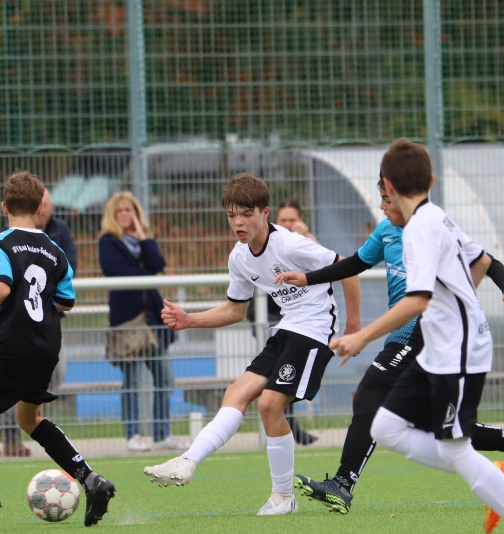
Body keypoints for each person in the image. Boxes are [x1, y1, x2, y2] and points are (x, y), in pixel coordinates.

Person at [333, 139, 504, 534]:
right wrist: (459, 300)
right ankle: (492, 477)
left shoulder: (420, 229)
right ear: (431, 180)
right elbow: (481, 261)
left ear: (387, 185)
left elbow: (417, 300)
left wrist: (361, 336)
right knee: (385, 427)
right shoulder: (438, 217)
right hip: (438, 347)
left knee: (453, 448)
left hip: (459, 351)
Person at [277, 179, 504, 517]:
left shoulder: (429, 227)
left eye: (386, 199)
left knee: (371, 393)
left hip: (422, 332)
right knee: (425, 421)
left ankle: (343, 484)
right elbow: (355, 263)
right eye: (381, 199)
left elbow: (485, 262)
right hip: (407, 334)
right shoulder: (388, 230)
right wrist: (308, 277)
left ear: (402, 195)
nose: (382, 207)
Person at [144, 172, 361, 515]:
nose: (238, 222)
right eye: (231, 215)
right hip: (287, 328)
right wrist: (189, 319)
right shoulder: (239, 257)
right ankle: (188, 461)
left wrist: (354, 327)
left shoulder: (289, 244)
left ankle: (283, 498)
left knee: (269, 404)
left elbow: (347, 267)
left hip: (314, 329)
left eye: (246, 214)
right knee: (236, 393)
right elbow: (234, 310)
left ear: (265, 212)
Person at [0, 170, 115, 531]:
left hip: (12, 344)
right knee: (29, 419)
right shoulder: (56, 251)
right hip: (46, 347)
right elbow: (66, 302)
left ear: (4, 206)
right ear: (40, 208)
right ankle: (91, 479)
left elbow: (1, 287)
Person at [0, 188, 78, 457]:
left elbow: (69, 270)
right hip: (17, 324)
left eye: (45, 203)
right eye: (39, 202)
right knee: (15, 379)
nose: (42, 207)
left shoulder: (59, 234)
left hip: (48, 325)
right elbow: (4, 283)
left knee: (53, 376)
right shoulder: (6, 237)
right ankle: (10, 436)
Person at [98, 191, 184, 452]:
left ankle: (162, 434)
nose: (125, 214)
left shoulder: (142, 240)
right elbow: (120, 272)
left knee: (165, 377)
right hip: (128, 320)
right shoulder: (108, 242)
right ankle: (133, 434)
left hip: (152, 319)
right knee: (133, 381)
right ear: (113, 215)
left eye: (130, 210)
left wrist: (144, 238)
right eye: (120, 210)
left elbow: (158, 263)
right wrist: (146, 272)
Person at [247, 198, 320, 446]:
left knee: (283, 379)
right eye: (283, 220)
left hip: (302, 322)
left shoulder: (302, 243)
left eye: (292, 220)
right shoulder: (266, 242)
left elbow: (327, 267)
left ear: (301, 221)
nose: (287, 224)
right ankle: (286, 428)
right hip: (270, 318)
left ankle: (288, 427)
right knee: (278, 378)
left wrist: (306, 235)